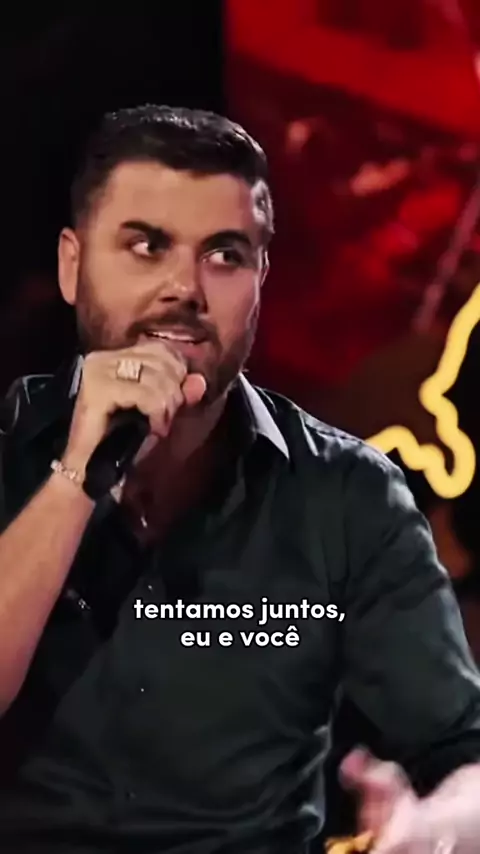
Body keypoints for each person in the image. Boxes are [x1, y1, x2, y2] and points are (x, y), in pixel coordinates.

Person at [1, 105, 480, 854]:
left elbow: (465, 758)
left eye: (224, 255)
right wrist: (75, 478)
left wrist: (433, 828)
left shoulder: (349, 495)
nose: (184, 289)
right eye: (147, 246)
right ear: (73, 265)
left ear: (261, 280)